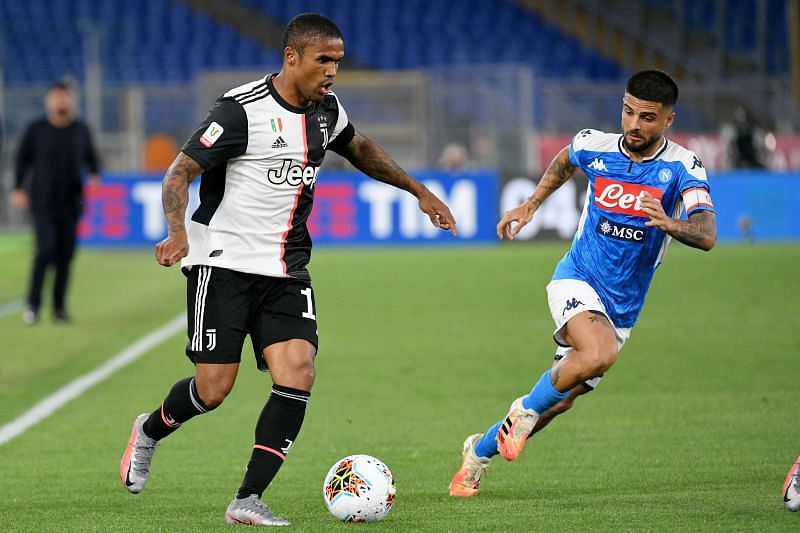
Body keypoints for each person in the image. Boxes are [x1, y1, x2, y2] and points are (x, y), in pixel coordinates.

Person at [119, 13, 457, 526]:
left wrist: (419, 190)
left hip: (287, 268)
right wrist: (178, 231)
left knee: (298, 371)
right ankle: (149, 431)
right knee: (213, 389)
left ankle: (247, 498)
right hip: (224, 262)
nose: (332, 72)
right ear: (292, 57)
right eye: (323, 60)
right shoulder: (239, 111)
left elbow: (360, 147)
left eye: (338, 62)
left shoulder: (327, 111)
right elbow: (179, 171)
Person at [449, 70, 717, 497]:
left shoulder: (682, 167)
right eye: (628, 112)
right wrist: (532, 204)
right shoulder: (595, 145)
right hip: (577, 277)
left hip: (622, 304)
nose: (634, 124)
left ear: (668, 120)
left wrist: (670, 222)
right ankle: (522, 411)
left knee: (560, 400)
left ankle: (477, 452)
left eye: (647, 117)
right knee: (598, 353)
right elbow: (565, 160)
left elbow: (706, 233)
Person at [12, 81, 100, 324]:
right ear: (49, 101)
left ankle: (59, 308)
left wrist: (94, 174)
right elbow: (22, 159)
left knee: (65, 256)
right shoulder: (36, 129)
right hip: (42, 202)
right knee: (45, 250)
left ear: (71, 100)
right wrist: (18, 187)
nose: (61, 101)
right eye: (57, 97)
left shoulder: (81, 129)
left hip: (71, 202)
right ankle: (32, 304)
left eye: (65, 97)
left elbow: (92, 158)